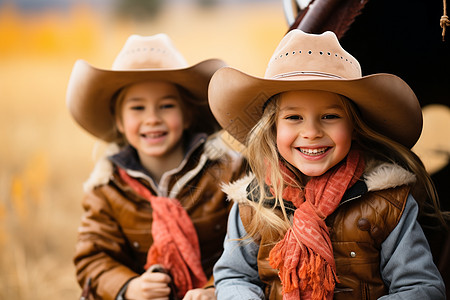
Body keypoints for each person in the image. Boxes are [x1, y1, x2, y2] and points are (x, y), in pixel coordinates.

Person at [208, 30, 447, 299]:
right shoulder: (254, 202)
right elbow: (235, 276)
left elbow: (421, 288)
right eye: (294, 117)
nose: (311, 132)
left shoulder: (388, 202)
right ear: (273, 128)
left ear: (355, 127)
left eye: (330, 116)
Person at [66, 33, 246, 300]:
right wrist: (129, 287)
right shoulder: (107, 187)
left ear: (187, 116)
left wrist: (214, 289)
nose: (152, 119)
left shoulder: (227, 173)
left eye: (166, 106)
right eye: (137, 108)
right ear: (118, 120)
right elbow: (93, 257)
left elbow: (249, 243)